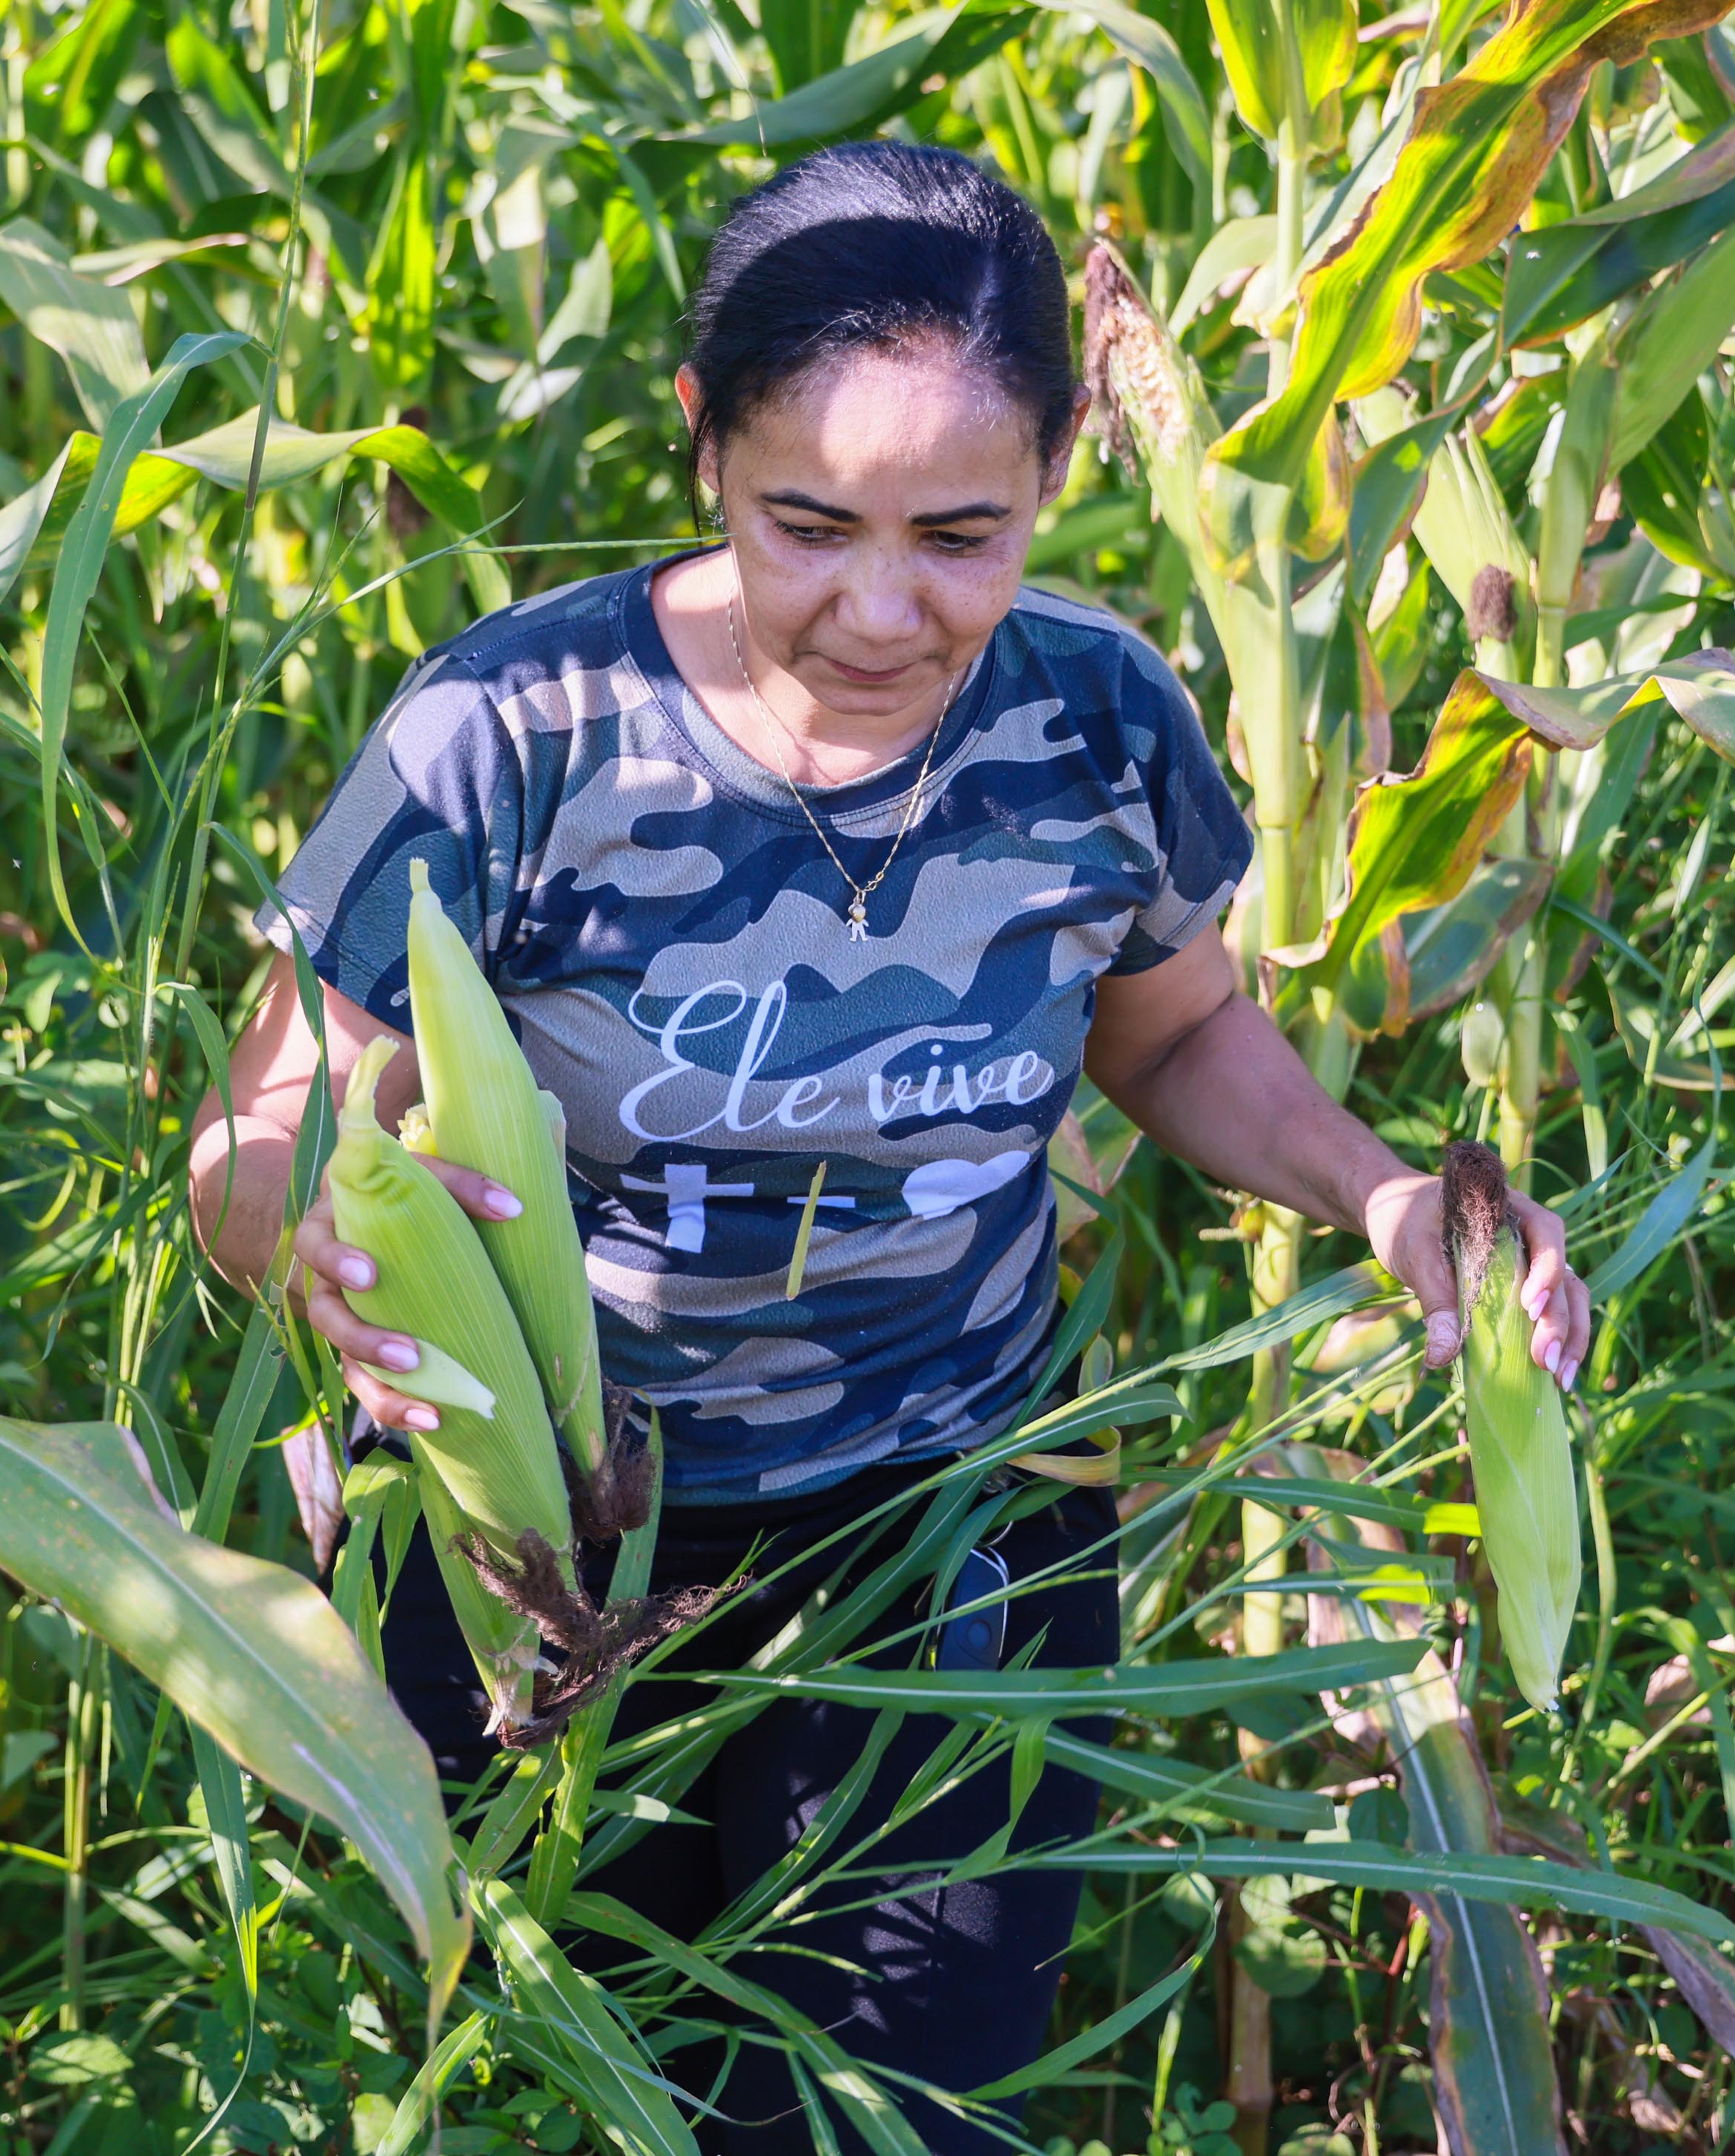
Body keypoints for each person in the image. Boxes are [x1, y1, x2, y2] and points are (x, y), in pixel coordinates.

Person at [187, 140, 1588, 2151]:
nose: (876, 607)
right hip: (537, 1549)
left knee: (886, 2116)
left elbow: (1178, 1031)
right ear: (699, 443)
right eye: (805, 522)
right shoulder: (516, 732)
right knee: (552, 2087)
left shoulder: (1090, 716)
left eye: (960, 533)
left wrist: (1381, 1198)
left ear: (1055, 474)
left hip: (946, 1534)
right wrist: (296, 1229)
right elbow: (260, 1125)